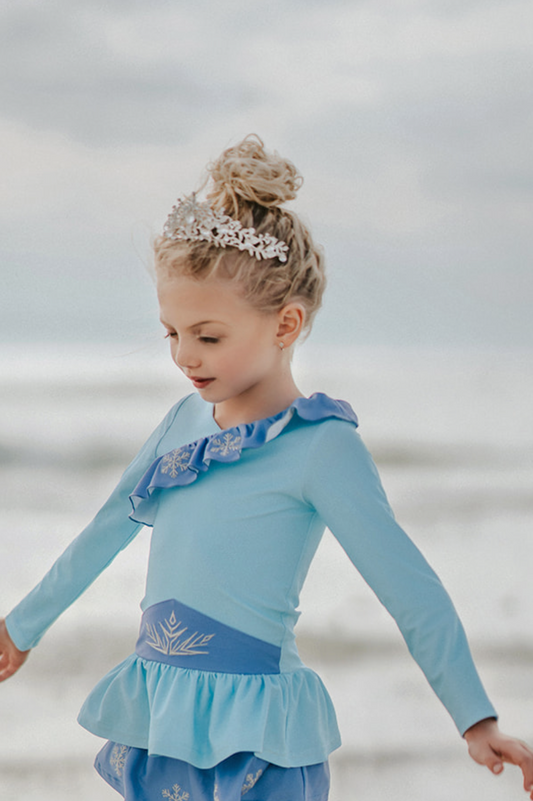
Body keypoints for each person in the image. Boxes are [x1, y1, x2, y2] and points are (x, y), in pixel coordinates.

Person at [1, 134, 532, 801]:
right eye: (172, 332)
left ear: (285, 324)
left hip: (259, 741)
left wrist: (474, 718)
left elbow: (408, 586)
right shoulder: (181, 423)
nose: (183, 356)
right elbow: (106, 529)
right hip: (161, 718)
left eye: (208, 335)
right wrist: (20, 627)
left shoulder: (321, 446)